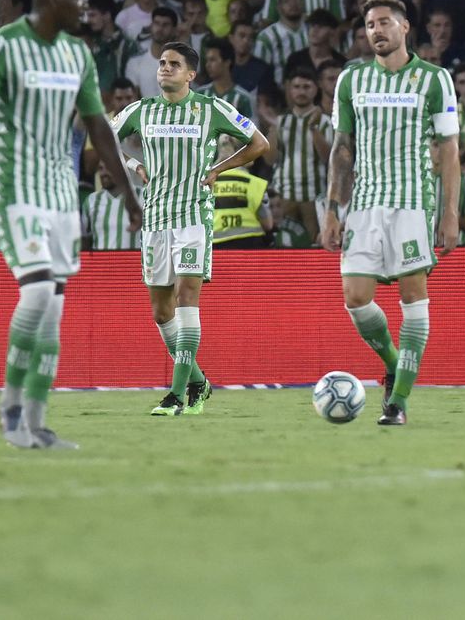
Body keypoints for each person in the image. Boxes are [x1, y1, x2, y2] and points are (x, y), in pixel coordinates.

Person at [0, 0, 143, 449]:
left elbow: (98, 127)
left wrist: (129, 194)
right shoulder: (1, 45)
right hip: (11, 186)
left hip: (61, 194)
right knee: (39, 293)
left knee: (53, 311)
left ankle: (37, 424)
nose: (87, 5)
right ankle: (10, 406)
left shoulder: (77, 54)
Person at [322, 0, 461, 427]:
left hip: (413, 203)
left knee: (411, 298)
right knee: (356, 297)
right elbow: (342, 148)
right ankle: (394, 362)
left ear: (404, 28)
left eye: (384, 22)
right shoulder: (351, 80)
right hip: (364, 204)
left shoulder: (435, 80)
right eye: (369, 25)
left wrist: (451, 212)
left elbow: (450, 151)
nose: (376, 31)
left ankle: (397, 402)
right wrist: (331, 208)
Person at [114, 41, 269, 416]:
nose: (165, 68)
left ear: (191, 75)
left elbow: (258, 143)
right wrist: (136, 168)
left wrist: (218, 168)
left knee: (186, 298)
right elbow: (104, 139)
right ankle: (198, 380)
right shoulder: (140, 111)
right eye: (162, 63)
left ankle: (176, 394)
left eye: (174, 64)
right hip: (155, 219)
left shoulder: (210, 108)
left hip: (193, 218)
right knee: (160, 311)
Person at [267, 68, 334, 244]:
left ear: (315, 89)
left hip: (314, 195)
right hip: (284, 195)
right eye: (296, 87)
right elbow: (269, 160)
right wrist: (273, 129)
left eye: (306, 87)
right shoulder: (281, 122)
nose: (301, 91)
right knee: (283, 244)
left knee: (311, 245)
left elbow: (328, 159)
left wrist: (314, 129)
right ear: (290, 89)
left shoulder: (326, 122)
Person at [82, 167, 140, 251]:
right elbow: (83, 238)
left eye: (108, 167)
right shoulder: (92, 200)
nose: (103, 173)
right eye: (101, 168)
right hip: (100, 263)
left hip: (134, 262)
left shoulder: (142, 196)